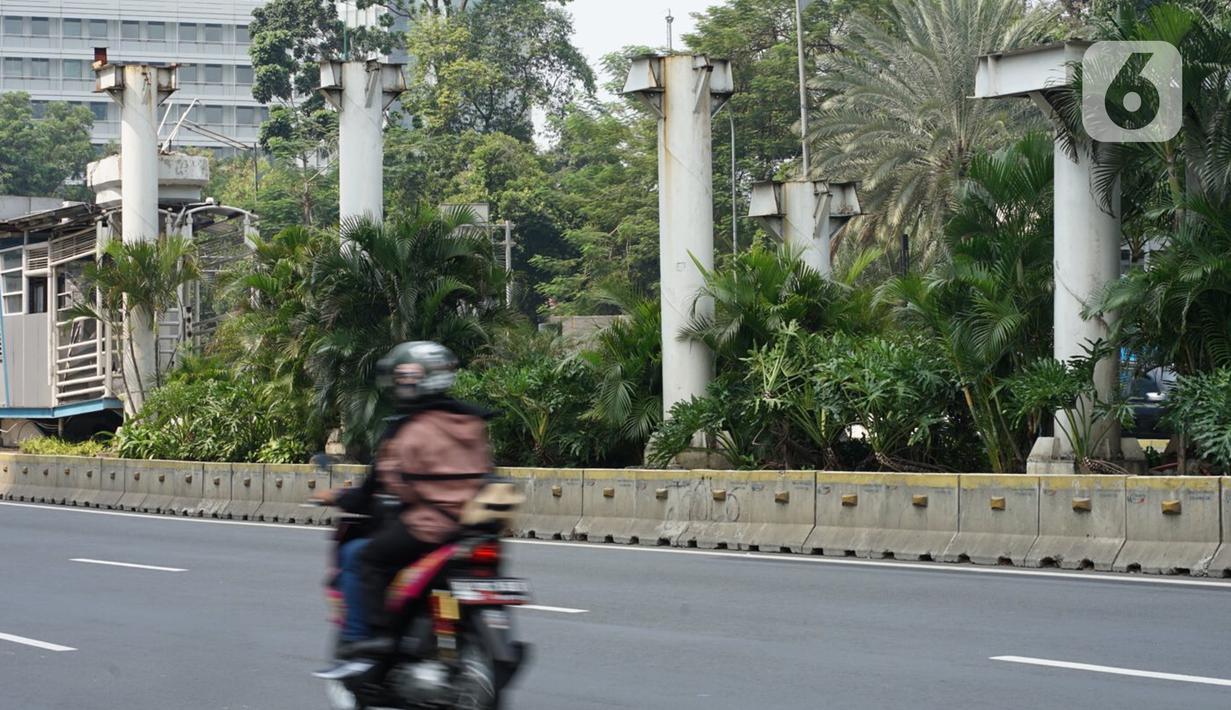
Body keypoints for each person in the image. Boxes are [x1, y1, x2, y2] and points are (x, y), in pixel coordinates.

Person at [317, 341, 494, 658]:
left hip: (428, 527)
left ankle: (372, 638)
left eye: (404, 379)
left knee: (364, 559)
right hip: (472, 527)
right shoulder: (471, 421)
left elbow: (376, 488)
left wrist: (340, 498)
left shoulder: (405, 429)